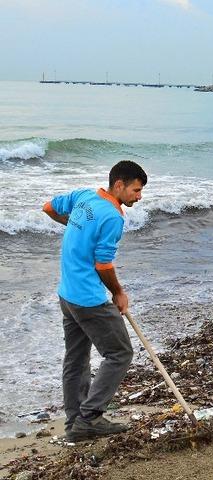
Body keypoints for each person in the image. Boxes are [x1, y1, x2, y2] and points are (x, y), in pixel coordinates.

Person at [42, 160, 146, 442]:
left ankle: (75, 423)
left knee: (76, 359)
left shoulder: (83, 196)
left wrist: (76, 230)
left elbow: (49, 207)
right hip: (88, 299)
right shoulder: (113, 217)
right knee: (120, 353)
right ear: (119, 185)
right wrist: (119, 293)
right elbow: (103, 265)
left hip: (67, 294)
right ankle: (89, 417)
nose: (139, 197)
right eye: (136, 190)